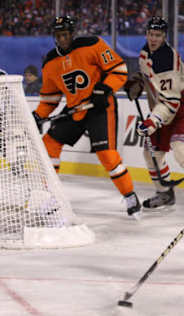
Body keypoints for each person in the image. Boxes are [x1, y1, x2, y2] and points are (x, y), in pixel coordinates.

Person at [31, 16, 141, 218]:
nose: (63, 39)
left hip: (100, 107)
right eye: (59, 35)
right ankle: (52, 196)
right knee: (49, 143)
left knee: (107, 155)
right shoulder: (50, 63)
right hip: (75, 109)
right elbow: (50, 99)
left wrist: (104, 89)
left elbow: (119, 70)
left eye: (65, 34)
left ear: (72, 33)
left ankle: (129, 195)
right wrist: (38, 115)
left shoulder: (92, 44)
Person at [124, 17, 184, 211]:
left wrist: (153, 121)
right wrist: (138, 82)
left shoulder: (166, 60)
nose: (153, 38)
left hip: (183, 106)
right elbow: (148, 77)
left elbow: (172, 101)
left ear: (164, 36)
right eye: (151, 34)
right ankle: (164, 193)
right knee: (151, 155)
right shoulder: (145, 52)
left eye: (158, 35)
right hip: (163, 106)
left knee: (181, 150)